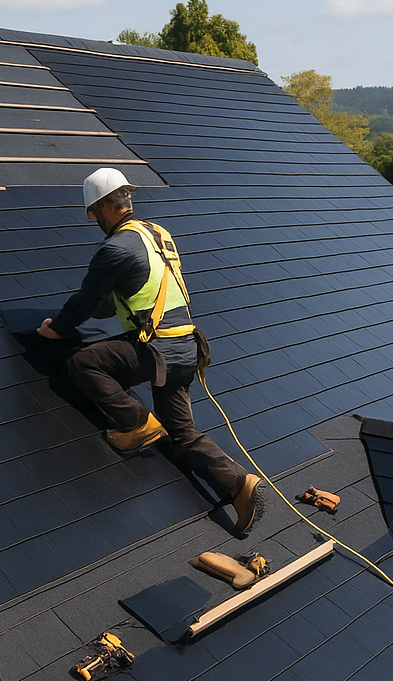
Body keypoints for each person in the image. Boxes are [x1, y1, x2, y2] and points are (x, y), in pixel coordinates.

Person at [37, 168, 265, 535]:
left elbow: (86, 301)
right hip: (188, 348)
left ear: (98, 209)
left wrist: (57, 329)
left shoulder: (113, 249)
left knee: (83, 362)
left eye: (94, 212)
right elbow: (119, 297)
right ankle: (239, 484)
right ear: (125, 199)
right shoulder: (157, 235)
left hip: (158, 351)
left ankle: (135, 422)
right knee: (182, 431)